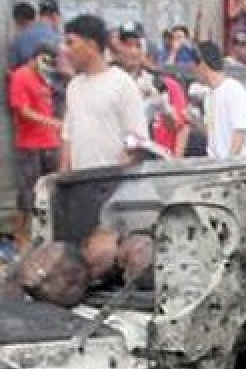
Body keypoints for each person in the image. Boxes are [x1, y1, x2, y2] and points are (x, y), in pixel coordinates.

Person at [59, 14, 148, 172]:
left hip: (114, 185)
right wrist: (62, 177)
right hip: (80, 183)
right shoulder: (74, 86)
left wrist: (117, 175)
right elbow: (68, 135)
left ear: (91, 46)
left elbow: (136, 138)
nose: (65, 50)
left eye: (71, 43)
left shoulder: (122, 83)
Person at [7, 44, 61, 247]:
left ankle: (44, 233)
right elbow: (23, 111)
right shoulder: (21, 77)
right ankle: (21, 235)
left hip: (50, 142)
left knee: (50, 191)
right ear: (37, 57)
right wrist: (51, 122)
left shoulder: (44, 79)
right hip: (30, 145)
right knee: (28, 193)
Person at [115, 22, 189, 158]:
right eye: (127, 45)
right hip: (114, 158)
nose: (132, 51)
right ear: (118, 48)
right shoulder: (110, 81)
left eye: (137, 46)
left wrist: (162, 105)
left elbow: (177, 125)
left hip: (149, 159)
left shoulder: (157, 83)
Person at [193, 41, 246, 160]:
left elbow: (240, 131)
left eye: (195, 65)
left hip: (234, 169)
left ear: (203, 65)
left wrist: (228, 166)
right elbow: (213, 133)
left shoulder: (234, 89)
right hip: (215, 166)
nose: (193, 70)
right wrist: (194, 121)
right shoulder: (209, 95)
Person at [7, 1, 37, 67]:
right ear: (34, 18)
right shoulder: (47, 36)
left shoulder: (16, 42)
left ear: (16, 20)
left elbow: (13, 67)